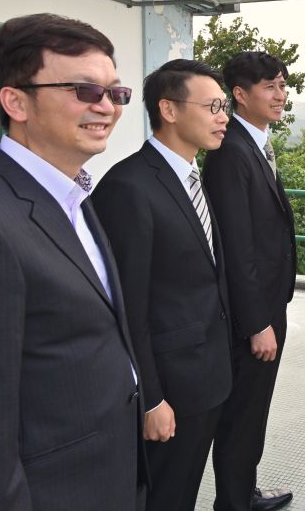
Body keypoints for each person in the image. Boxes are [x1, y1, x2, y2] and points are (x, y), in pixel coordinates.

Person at [0, 13, 143, 510]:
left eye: (115, 93)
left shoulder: (74, 194)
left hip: (109, 471)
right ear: (15, 101)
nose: (107, 107)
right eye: (84, 90)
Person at [91, 59, 233, 511]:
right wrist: (151, 399)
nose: (223, 117)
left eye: (224, 106)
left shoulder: (191, 174)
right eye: (212, 106)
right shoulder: (129, 186)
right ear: (168, 110)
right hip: (170, 387)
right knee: (163, 496)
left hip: (206, 373)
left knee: (185, 487)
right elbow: (127, 304)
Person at [202, 51, 297, 511]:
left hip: (267, 303)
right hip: (251, 313)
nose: (280, 94)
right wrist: (257, 322)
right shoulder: (229, 153)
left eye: (282, 84)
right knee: (242, 415)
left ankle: (243, 491)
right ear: (240, 94)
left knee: (253, 410)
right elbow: (235, 248)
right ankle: (234, 503)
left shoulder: (254, 142)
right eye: (270, 86)